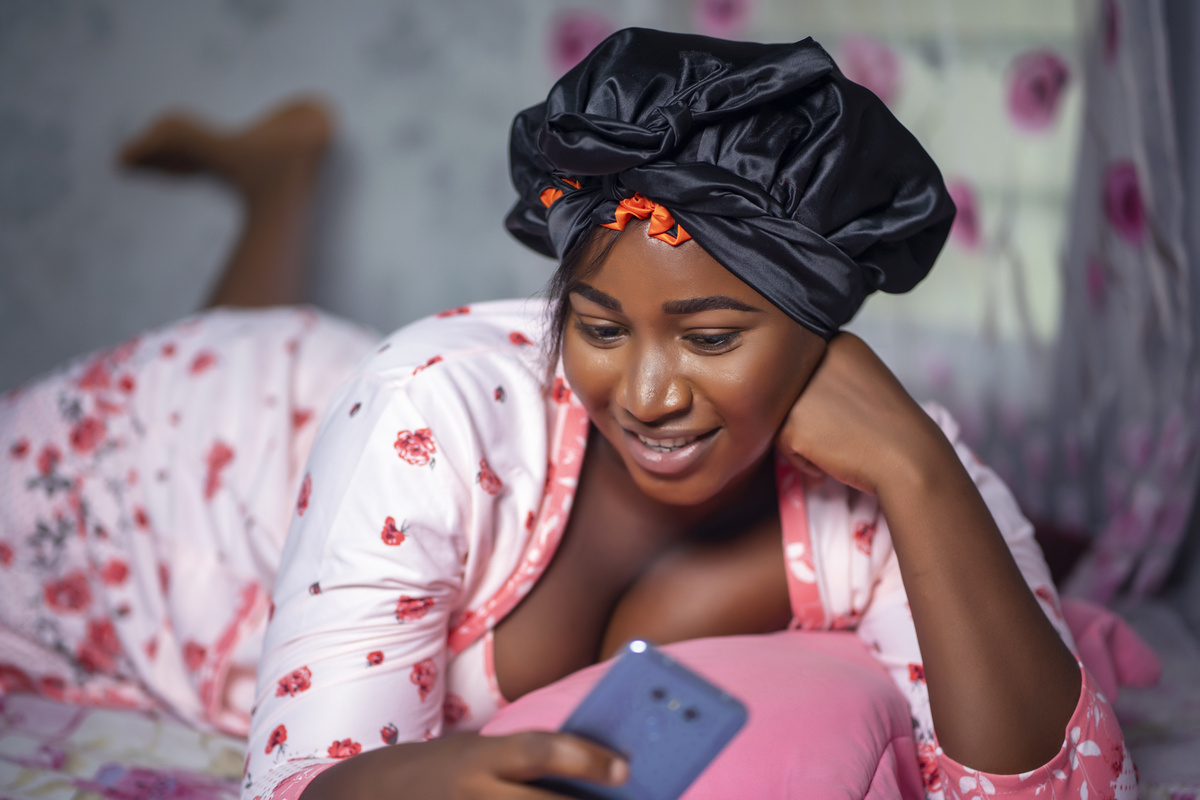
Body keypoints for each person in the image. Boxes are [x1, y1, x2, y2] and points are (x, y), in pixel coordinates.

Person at [0, 29, 1128, 800]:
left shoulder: (905, 473)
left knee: (307, 382)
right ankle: (276, 186)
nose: (647, 393)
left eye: (712, 337)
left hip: (330, 447)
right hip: (157, 464)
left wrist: (922, 474)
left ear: (825, 326)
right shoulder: (432, 402)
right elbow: (304, 776)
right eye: (597, 324)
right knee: (260, 374)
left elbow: (1069, 787)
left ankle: (274, 180)